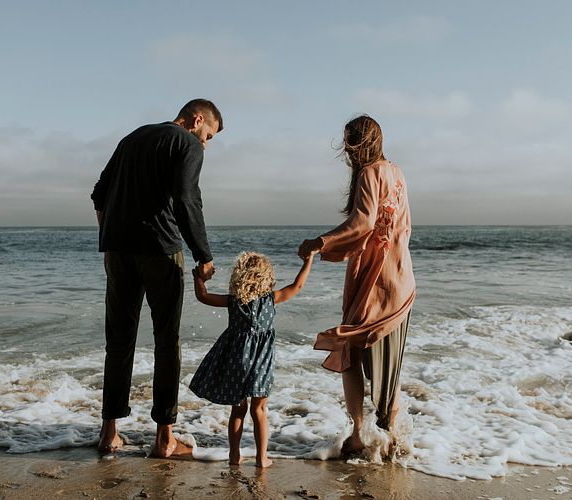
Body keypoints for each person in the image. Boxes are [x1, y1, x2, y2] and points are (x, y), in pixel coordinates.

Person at [90, 99, 223, 458]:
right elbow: (186, 198)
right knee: (167, 342)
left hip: (117, 252)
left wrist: (110, 240)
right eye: (208, 135)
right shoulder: (187, 143)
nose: (206, 143)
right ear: (197, 120)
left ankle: (109, 434)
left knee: (118, 342)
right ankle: (165, 439)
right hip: (160, 250)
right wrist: (203, 254)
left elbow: (98, 194)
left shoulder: (132, 138)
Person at [298, 115, 415, 456]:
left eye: (349, 147)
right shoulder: (397, 172)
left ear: (356, 146)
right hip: (401, 277)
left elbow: (362, 222)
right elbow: (403, 227)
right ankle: (391, 438)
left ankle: (359, 434)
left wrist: (320, 242)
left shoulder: (369, 173)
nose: (348, 157)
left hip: (372, 278)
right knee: (388, 360)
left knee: (349, 348)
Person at [188, 251, 314, 468]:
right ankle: (261, 458)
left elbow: (203, 297)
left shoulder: (233, 301)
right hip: (261, 363)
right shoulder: (271, 299)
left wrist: (198, 278)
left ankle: (234, 456)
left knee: (238, 409)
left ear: (239, 276)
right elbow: (298, 286)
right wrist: (308, 261)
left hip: (236, 362)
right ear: (266, 276)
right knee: (259, 410)